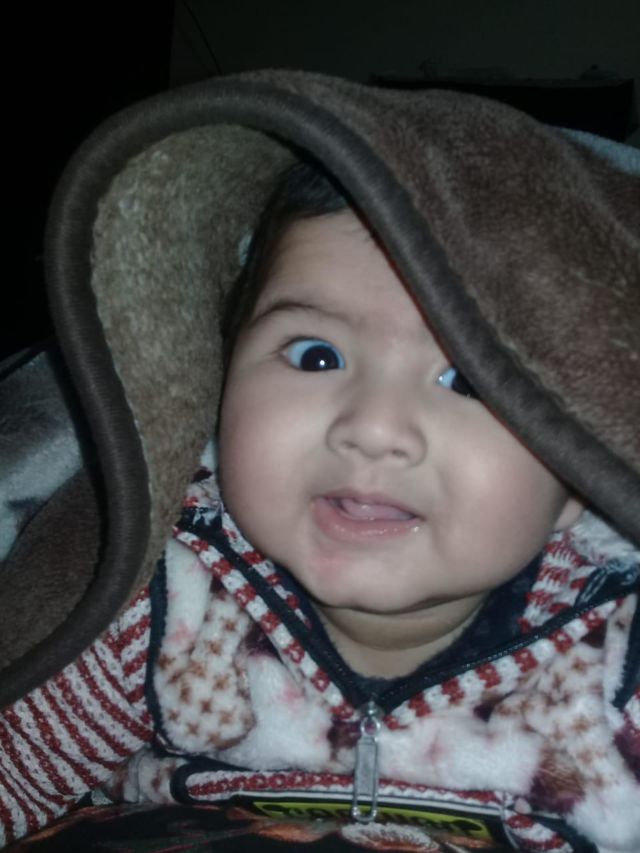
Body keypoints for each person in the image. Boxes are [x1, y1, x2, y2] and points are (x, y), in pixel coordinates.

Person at [0, 71, 638, 852]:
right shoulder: (161, 605)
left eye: (469, 379)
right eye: (315, 355)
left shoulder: (617, 666)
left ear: (582, 463)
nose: (373, 427)